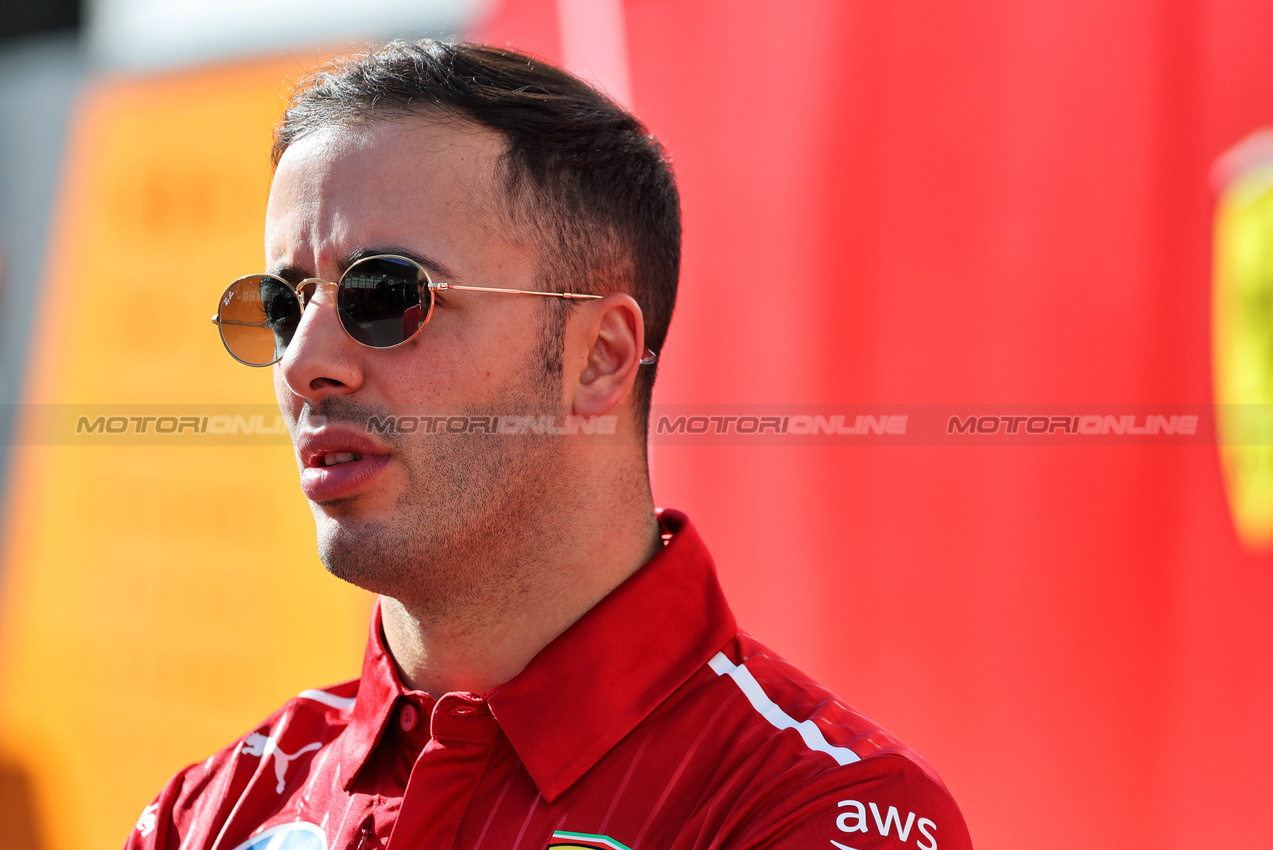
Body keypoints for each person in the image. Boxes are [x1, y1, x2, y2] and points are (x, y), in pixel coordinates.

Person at [133, 39, 972, 850]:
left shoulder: (816, 808)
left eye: (385, 295)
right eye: (282, 304)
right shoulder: (210, 811)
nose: (306, 364)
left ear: (599, 358)